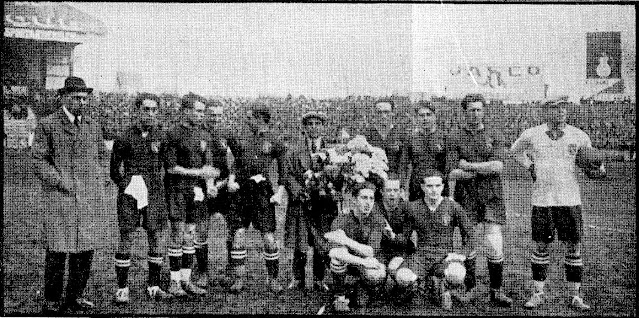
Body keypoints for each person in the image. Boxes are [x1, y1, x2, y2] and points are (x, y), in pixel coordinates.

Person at [32, 76, 110, 313]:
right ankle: (53, 300)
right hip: (59, 198)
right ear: (63, 97)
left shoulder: (93, 125)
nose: (81, 102)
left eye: (84, 98)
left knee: (85, 250)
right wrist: (61, 181)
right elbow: (38, 160)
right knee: (57, 250)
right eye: (76, 98)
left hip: (88, 198)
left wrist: (100, 180)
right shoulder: (48, 125)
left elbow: (101, 156)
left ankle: (74, 296)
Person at [510, 100, 597, 310]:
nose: (560, 112)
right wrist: (529, 166)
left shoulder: (579, 135)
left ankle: (576, 296)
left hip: (570, 200)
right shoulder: (532, 133)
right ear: (545, 112)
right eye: (555, 108)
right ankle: (538, 293)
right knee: (541, 246)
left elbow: (590, 161)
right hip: (542, 200)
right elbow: (515, 151)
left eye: (563, 108)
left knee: (573, 247)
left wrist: (596, 169)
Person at [446, 93, 513, 307]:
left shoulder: (494, 133)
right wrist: (480, 168)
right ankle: (471, 288)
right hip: (466, 197)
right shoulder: (455, 135)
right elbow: (453, 172)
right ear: (464, 112)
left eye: (479, 109)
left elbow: (499, 166)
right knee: (471, 243)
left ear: (484, 111)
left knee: (494, 243)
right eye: (471, 110)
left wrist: (470, 166)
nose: (475, 113)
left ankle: (496, 291)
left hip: (492, 195)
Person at [110, 93, 173, 303]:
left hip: (154, 191)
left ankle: (153, 286)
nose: (150, 114)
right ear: (137, 111)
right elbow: (114, 171)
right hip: (131, 193)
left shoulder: (162, 137)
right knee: (126, 237)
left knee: (155, 236)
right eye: (146, 109)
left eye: (154, 110)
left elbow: (169, 166)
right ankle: (122, 288)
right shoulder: (124, 137)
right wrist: (126, 185)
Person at [162, 93, 227, 297]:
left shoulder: (204, 134)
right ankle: (174, 283)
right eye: (198, 111)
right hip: (177, 190)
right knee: (177, 234)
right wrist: (199, 173)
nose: (201, 115)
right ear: (186, 111)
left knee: (190, 235)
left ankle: (186, 280)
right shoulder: (173, 134)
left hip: (196, 192)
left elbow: (207, 165)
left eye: (202, 111)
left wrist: (210, 182)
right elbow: (171, 168)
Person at [224, 103, 288, 293]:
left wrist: (279, 193)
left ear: (260, 119)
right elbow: (236, 164)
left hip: (262, 193)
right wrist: (232, 180)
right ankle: (239, 279)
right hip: (242, 192)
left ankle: (273, 279)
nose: (248, 121)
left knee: (269, 238)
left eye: (250, 118)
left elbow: (283, 169)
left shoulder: (274, 141)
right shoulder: (243, 138)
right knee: (238, 234)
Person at [399, 170, 473, 310]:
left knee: (457, 274)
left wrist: (461, 254)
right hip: (422, 255)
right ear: (422, 187)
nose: (434, 190)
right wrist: (392, 237)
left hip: (444, 256)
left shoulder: (453, 207)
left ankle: (443, 286)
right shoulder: (413, 207)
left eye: (437, 186)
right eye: (429, 186)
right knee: (402, 277)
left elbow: (472, 235)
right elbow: (404, 237)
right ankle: (422, 286)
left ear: (443, 186)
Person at [282, 111, 337, 292]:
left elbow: (337, 175)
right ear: (304, 128)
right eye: (310, 124)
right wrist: (299, 192)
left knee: (321, 241)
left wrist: (331, 187)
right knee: (301, 241)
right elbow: (287, 174)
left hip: (324, 204)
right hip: (301, 202)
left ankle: (318, 279)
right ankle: (297, 278)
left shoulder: (331, 151)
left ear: (323, 126)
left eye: (317, 123)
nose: (313, 127)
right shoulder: (295, 149)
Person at [325, 182, 395, 312]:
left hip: (371, 264)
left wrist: (345, 240)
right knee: (336, 259)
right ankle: (340, 295)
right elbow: (334, 252)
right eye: (364, 198)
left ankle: (363, 289)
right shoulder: (341, 220)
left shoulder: (377, 219)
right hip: (356, 263)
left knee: (374, 275)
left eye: (371, 198)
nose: (368, 202)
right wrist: (362, 261)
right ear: (354, 200)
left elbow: (370, 251)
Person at [195, 98, 236, 288]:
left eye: (219, 115)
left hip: (223, 187)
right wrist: (206, 183)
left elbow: (238, 158)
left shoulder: (226, 132)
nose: (216, 118)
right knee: (201, 230)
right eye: (212, 115)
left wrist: (228, 180)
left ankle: (230, 268)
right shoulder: (197, 132)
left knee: (232, 228)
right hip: (202, 187)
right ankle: (203, 271)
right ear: (205, 114)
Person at [361, 99, 408, 199]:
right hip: (372, 184)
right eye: (379, 112)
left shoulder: (400, 134)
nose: (383, 115)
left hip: (393, 185)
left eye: (386, 112)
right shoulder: (366, 134)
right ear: (374, 114)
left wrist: (402, 186)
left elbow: (403, 163)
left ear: (392, 113)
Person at [405, 101, 448, 201]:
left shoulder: (444, 137)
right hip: (417, 187)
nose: (425, 118)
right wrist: (404, 188)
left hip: (438, 188)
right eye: (421, 115)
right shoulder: (411, 139)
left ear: (434, 117)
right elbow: (404, 165)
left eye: (428, 115)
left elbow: (449, 165)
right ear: (416, 118)